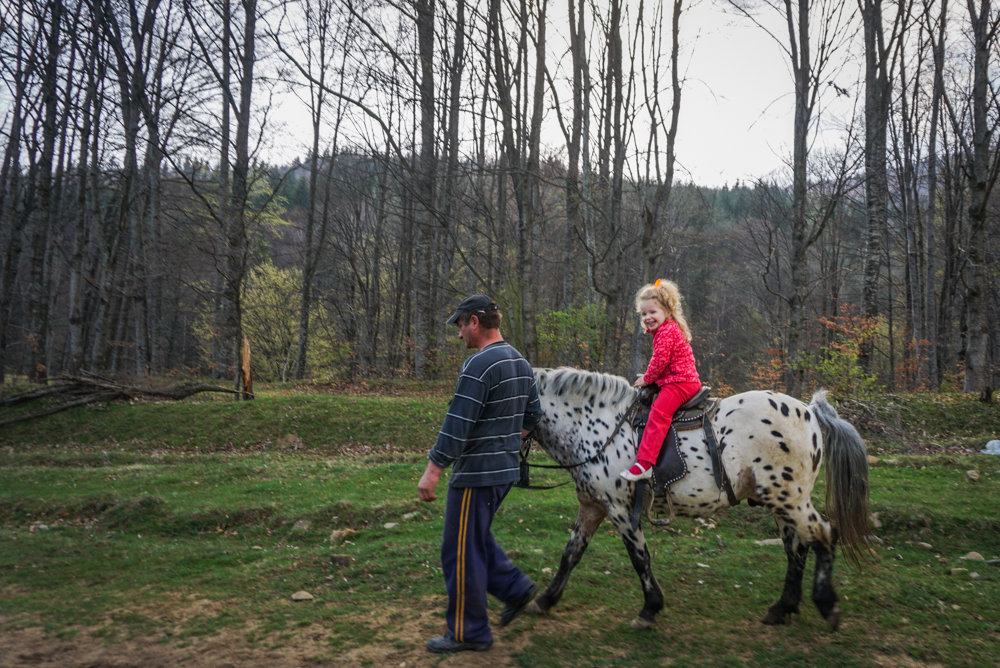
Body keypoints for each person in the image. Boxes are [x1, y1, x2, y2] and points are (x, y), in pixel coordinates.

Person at [417, 294, 544, 654]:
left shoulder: (480, 365)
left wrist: (432, 471)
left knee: (458, 550)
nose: (459, 334)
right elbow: (532, 415)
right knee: (473, 539)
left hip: (477, 474)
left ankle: (469, 631)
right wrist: (507, 439)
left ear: (475, 321)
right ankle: (515, 588)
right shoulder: (520, 362)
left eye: (460, 325)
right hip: (504, 471)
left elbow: (457, 424)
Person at [620, 279, 702, 481]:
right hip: (674, 378)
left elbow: (660, 361)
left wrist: (648, 379)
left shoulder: (667, 331)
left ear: (667, 310)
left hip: (680, 382)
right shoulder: (665, 330)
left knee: (658, 414)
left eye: (652, 312)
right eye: (644, 313)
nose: (648, 317)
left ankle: (645, 464)